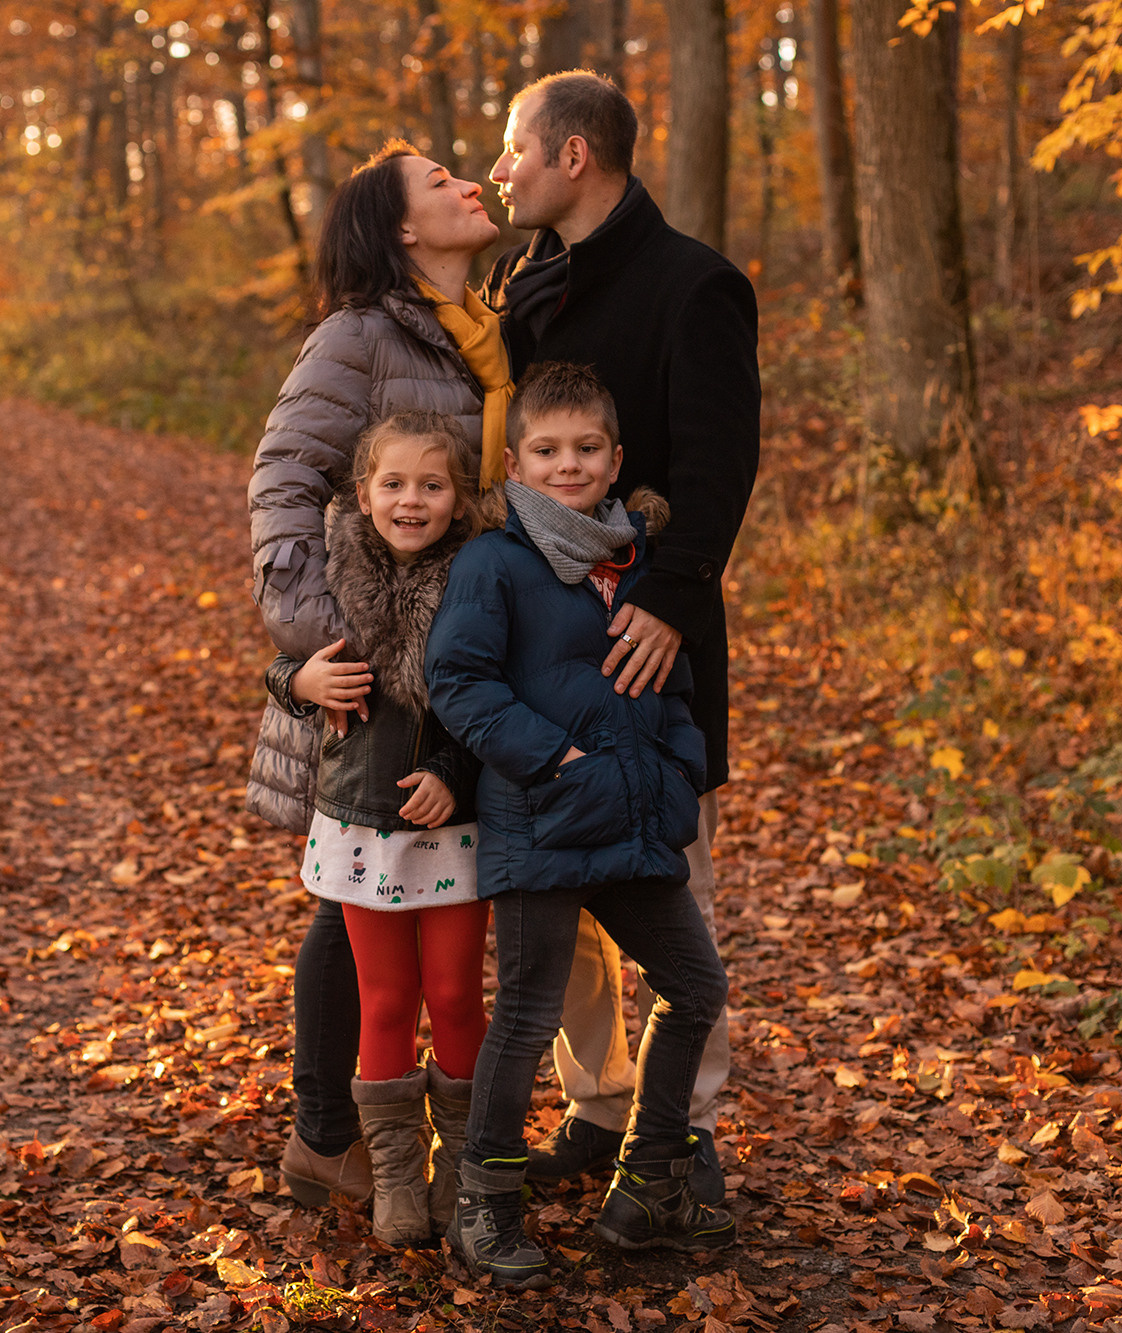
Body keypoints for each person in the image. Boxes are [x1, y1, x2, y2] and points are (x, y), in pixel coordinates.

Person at [481, 70, 761, 1198]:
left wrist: (671, 598)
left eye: (514, 147)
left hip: (651, 638)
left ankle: (679, 1132)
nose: (499, 169)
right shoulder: (522, 285)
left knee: (666, 881)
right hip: (535, 644)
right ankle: (599, 1106)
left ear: (574, 154)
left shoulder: (693, 285)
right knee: (561, 888)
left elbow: (719, 464)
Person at [244, 141, 511, 1209]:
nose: (467, 184)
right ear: (401, 228)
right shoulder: (357, 335)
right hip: (372, 673)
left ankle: (431, 1154)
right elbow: (283, 479)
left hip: (468, 666)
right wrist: (335, 642)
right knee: (351, 900)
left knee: (404, 913)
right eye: (440, 181)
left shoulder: (480, 329)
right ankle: (325, 1134)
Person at [427, 362, 734, 1289]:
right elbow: (459, 682)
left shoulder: (637, 560)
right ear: (515, 464)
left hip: (634, 820)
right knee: (526, 1015)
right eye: (549, 450)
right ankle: (484, 1202)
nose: (569, 465)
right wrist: (555, 759)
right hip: (544, 823)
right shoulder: (494, 562)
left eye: (587, 448)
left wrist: (676, 769)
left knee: (694, 985)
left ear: (616, 458)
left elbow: (673, 681)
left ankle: (649, 1184)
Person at [264, 412, 491, 1245]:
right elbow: (282, 663)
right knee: (387, 997)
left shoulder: (479, 576)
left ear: (458, 498)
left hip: (453, 824)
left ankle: (463, 1168)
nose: (411, 500)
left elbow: (495, 693)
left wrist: (453, 773)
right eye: (393, 484)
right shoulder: (333, 572)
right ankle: (397, 1175)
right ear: (363, 495)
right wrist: (298, 682)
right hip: (360, 824)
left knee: (456, 993)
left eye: (432, 485)